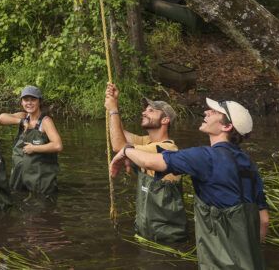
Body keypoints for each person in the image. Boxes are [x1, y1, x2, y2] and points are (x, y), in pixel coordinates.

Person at [110, 99, 269, 270]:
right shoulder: (249, 164)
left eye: (214, 112)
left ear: (227, 127)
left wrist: (125, 151)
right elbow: (264, 220)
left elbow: (151, 162)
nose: (206, 112)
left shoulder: (203, 157)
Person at [105, 82, 187, 243]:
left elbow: (119, 146)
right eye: (145, 109)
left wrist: (114, 110)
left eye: (151, 110)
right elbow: (119, 134)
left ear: (165, 120)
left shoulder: (166, 148)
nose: (144, 112)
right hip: (150, 231)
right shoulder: (147, 142)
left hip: (166, 236)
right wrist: (113, 104)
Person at [0, 85, 62, 196]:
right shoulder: (24, 116)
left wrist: (34, 148)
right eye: (26, 100)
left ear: (39, 101)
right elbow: (0, 118)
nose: (29, 103)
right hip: (21, 178)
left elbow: (58, 145)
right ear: (21, 102)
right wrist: (20, 122)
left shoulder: (45, 121)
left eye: (33, 99)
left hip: (41, 180)